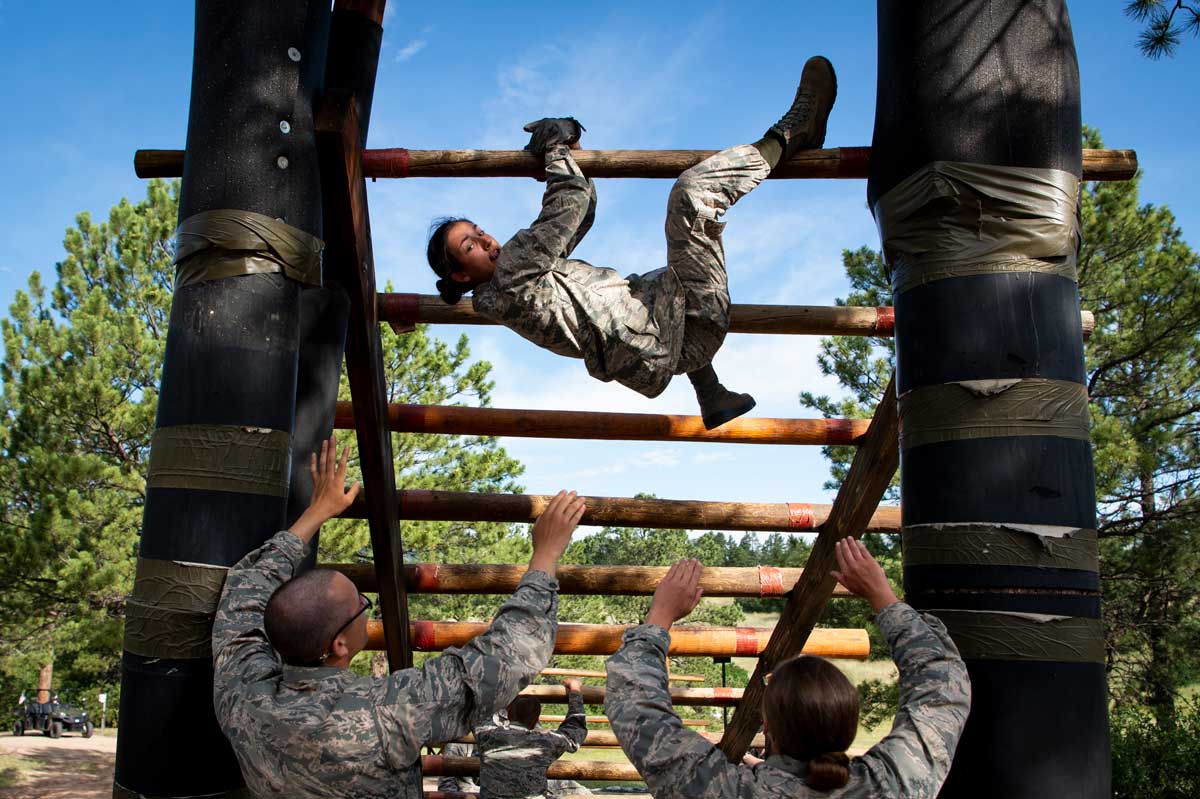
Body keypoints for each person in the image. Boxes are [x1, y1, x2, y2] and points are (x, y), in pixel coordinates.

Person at [426, 58, 838, 430]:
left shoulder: (516, 287)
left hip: (670, 340)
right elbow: (566, 203)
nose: (485, 239)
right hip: (687, 326)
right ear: (462, 274)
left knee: (648, 290)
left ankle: (711, 393)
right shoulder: (514, 273)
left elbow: (578, 214)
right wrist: (555, 148)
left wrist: (572, 153)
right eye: (470, 245)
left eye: (478, 231)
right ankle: (791, 133)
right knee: (691, 195)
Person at [211, 436, 586, 799]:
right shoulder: (383, 712)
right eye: (360, 603)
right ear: (338, 644)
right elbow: (508, 656)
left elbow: (245, 594)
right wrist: (545, 556)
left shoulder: (243, 690)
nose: (364, 600)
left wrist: (315, 513)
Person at [604, 539, 971, 798]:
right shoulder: (895, 782)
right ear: (847, 723)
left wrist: (660, 616)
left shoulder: (724, 791)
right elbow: (941, 685)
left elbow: (636, 709)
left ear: (769, 727)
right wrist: (884, 598)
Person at [474, 679, 589, 799]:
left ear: (508, 714)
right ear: (535, 721)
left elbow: (477, 711)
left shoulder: (486, 735)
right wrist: (575, 690)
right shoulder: (546, 742)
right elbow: (575, 728)